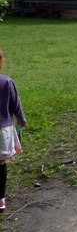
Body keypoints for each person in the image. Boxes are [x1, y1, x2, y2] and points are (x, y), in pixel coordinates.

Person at [0, 51, 27, 212]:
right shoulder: (6, 82)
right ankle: (0, 198)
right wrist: (22, 120)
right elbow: (16, 105)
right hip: (2, 130)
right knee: (0, 166)